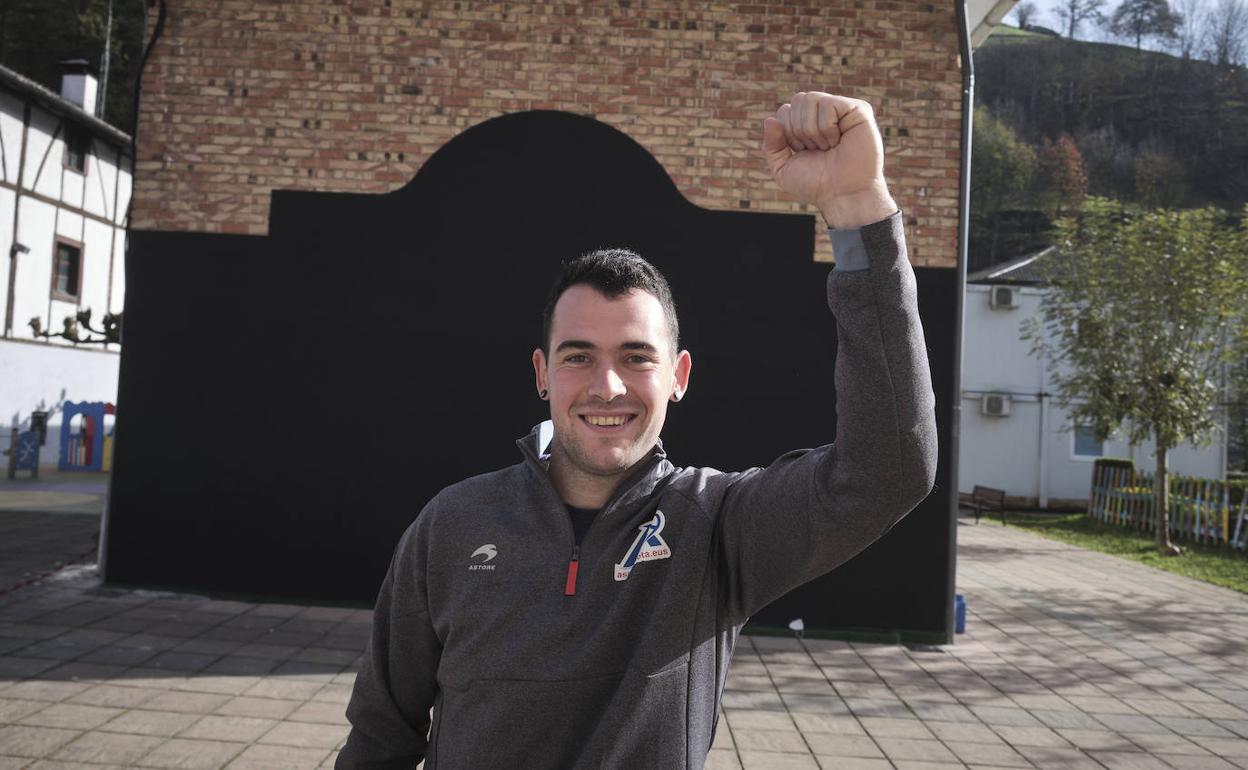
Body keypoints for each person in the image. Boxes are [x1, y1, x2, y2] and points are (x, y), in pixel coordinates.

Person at [337, 91, 938, 769]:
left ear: (679, 375)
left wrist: (859, 208)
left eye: (635, 357)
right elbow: (381, 736)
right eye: (578, 357)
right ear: (542, 373)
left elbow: (888, 470)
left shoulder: (717, 528)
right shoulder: (451, 525)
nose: (607, 386)